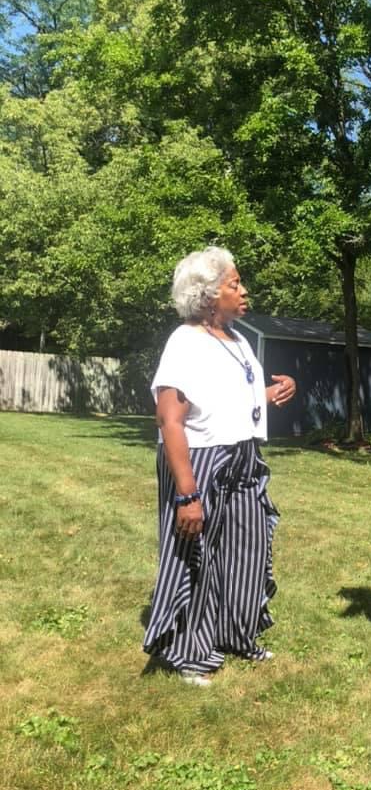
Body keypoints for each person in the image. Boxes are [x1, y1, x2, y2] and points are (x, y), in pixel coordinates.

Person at [143, 245, 296, 687]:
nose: (243, 291)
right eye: (234, 284)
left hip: (244, 456)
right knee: (197, 554)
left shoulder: (238, 340)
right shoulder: (185, 342)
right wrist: (187, 494)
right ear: (209, 294)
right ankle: (190, 652)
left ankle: (236, 634)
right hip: (200, 460)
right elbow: (170, 419)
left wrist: (273, 392)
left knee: (248, 547)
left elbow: (229, 398)